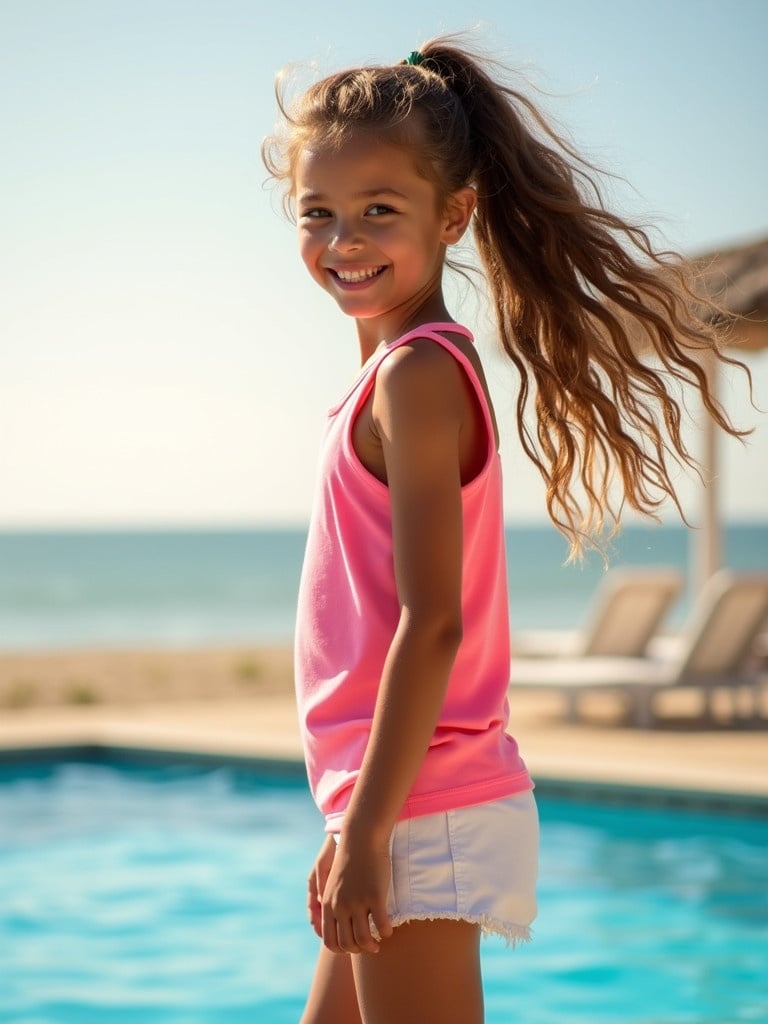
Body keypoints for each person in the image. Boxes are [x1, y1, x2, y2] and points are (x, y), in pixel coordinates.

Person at [262, 36, 748, 1024]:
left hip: (422, 806)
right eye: (319, 213)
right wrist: (356, 813)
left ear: (455, 215)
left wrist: (368, 832)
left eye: (378, 211)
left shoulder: (418, 375)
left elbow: (431, 623)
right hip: (392, 798)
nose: (343, 240)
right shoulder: (392, 376)